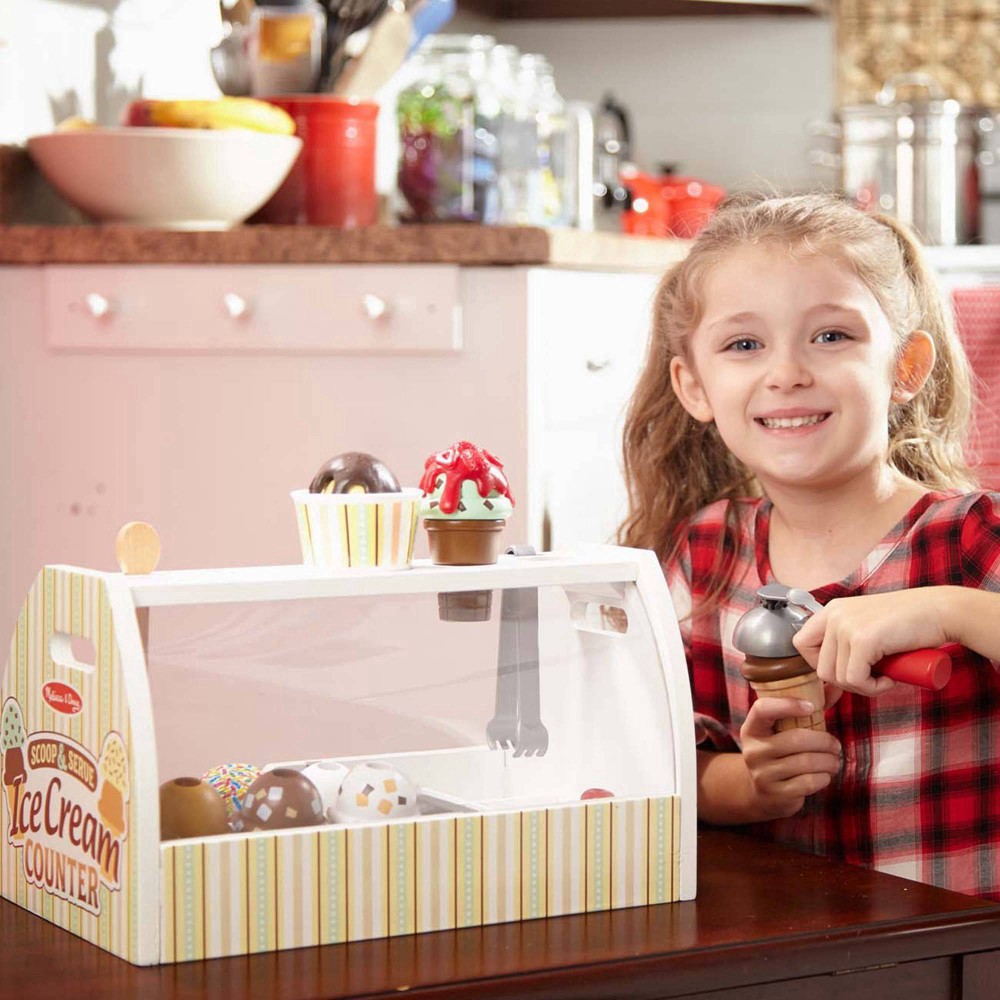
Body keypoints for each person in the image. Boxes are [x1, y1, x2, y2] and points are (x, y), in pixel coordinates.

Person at [619, 191, 1000, 899]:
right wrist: (753, 785)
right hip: (796, 955)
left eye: (831, 337)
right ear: (694, 385)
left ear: (906, 368)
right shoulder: (706, 553)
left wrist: (952, 612)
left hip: (963, 960)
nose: (787, 372)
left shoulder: (974, 537)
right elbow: (661, 767)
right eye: (744, 345)